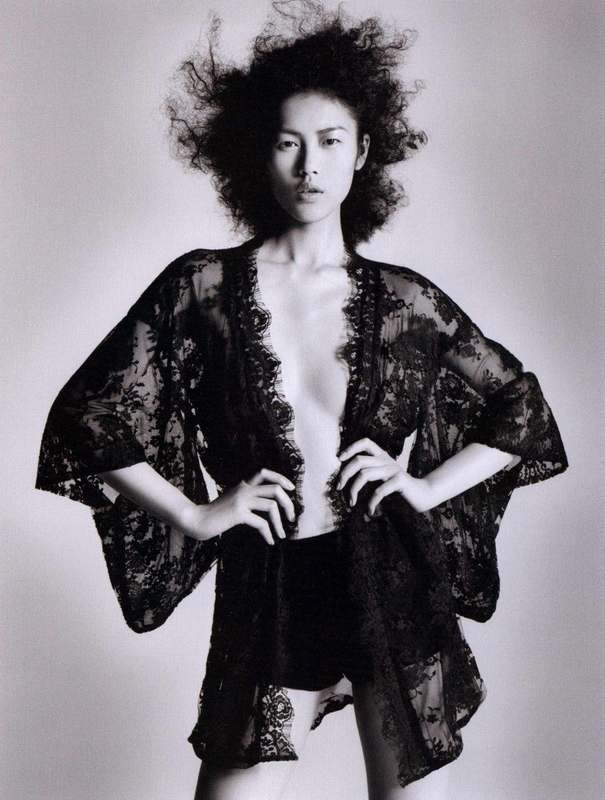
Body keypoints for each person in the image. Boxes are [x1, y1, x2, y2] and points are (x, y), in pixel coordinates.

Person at [36, 4, 568, 799]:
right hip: (272, 585)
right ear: (259, 152)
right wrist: (194, 515)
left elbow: (519, 406)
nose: (309, 165)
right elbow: (85, 415)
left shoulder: (406, 301)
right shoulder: (201, 287)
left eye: (329, 141)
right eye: (288, 142)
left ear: (363, 152)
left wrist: (423, 488)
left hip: (389, 581)